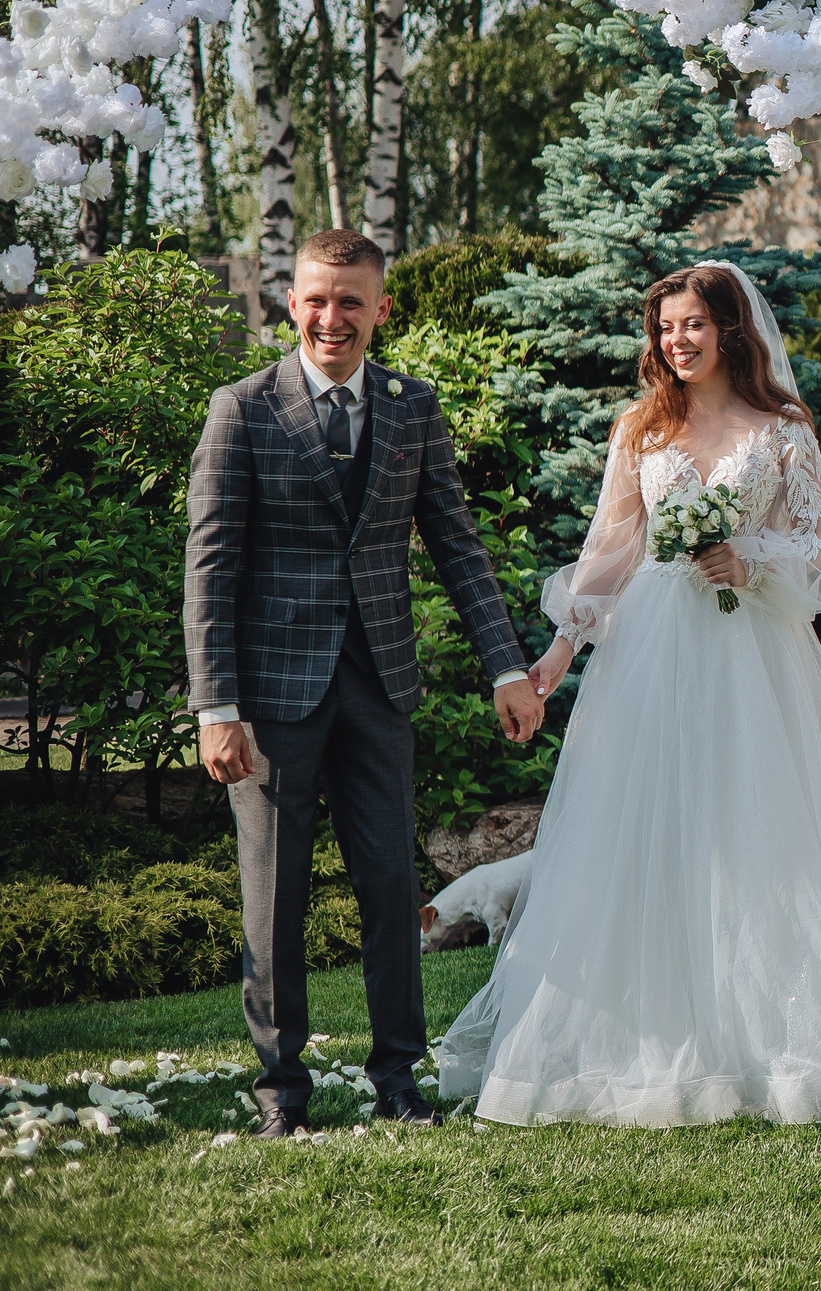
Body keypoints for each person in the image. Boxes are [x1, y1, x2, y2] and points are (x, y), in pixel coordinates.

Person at [433, 262, 821, 1126]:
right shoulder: (640, 429)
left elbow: (819, 555)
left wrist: (750, 558)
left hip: (752, 653)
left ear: (729, 328)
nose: (676, 341)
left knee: (760, 826)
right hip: (651, 651)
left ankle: (781, 1037)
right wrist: (561, 647)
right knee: (653, 827)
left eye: (691, 324)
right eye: (664, 328)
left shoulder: (782, 429)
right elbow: (611, 551)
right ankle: (656, 1030)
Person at [187, 229, 543, 1138]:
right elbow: (211, 567)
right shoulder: (243, 408)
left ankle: (398, 1081)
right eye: (316, 298)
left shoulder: (411, 406)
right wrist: (217, 707)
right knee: (275, 898)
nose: (331, 317)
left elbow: (457, 543)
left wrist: (506, 665)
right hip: (270, 698)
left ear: (381, 307)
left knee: (389, 886)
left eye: (350, 300)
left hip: (380, 687)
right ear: (290, 301)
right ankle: (282, 1093)